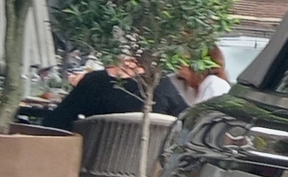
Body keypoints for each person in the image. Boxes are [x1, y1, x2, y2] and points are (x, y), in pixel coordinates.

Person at [46, 54, 189, 130]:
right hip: (149, 174)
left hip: (93, 166)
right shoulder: (162, 85)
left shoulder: (95, 82)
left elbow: (56, 122)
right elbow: (187, 123)